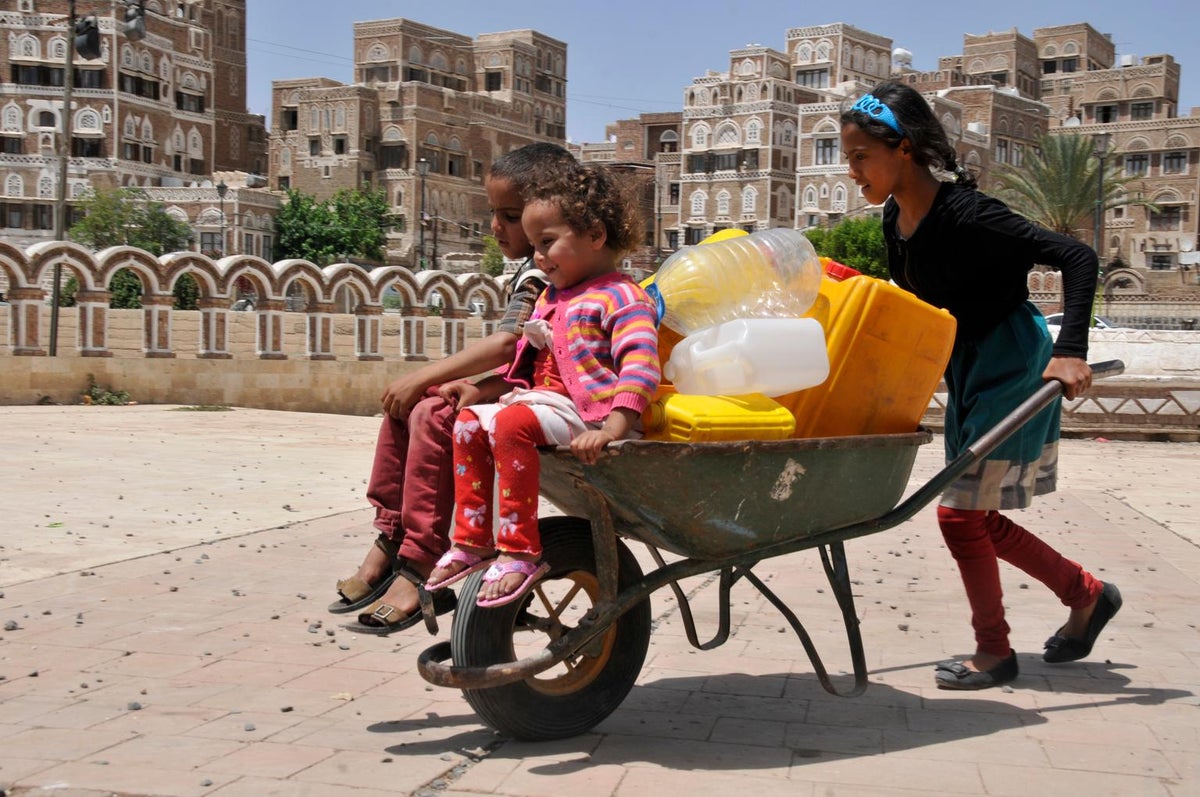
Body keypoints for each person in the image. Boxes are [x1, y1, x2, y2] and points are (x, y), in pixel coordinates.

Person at [840, 82, 1121, 690]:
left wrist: (1071, 350)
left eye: (861, 156)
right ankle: (1087, 595)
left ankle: (995, 652)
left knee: (958, 515)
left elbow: (1077, 258)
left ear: (904, 149)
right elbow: (917, 312)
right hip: (965, 364)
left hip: (1013, 360)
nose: (852, 171)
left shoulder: (970, 214)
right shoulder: (896, 220)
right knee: (975, 513)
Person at [332, 142, 577, 635]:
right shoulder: (538, 271)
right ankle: (393, 534)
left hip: (553, 399)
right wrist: (469, 383)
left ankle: (419, 561)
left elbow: (510, 343)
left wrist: (428, 374)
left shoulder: (541, 273)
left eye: (510, 216)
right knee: (412, 408)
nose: (496, 228)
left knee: (429, 410)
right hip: (526, 389)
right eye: (495, 213)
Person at [424, 163, 660, 607]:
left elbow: (640, 367)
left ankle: (520, 550)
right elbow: (528, 363)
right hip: (548, 406)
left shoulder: (623, 297)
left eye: (547, 243)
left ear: (595, 235)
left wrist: (612, 427)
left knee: (512, 425)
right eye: (534, 246)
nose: (538, 257)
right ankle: (473, 538)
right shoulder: (552, 297)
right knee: (470, 423)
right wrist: (481, 390)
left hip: (595, 415)